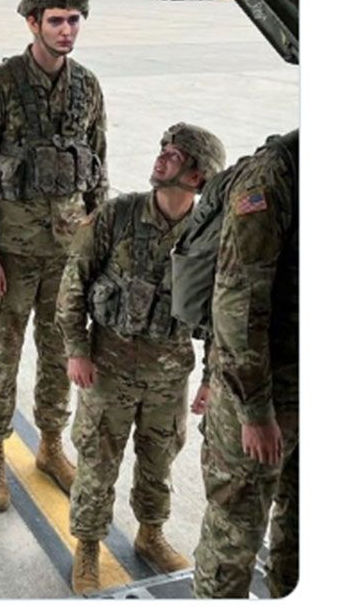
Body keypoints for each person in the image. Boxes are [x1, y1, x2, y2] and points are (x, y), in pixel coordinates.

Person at [0, 0, 108, 513]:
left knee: (59, 354)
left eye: (75, 20)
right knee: (0, 357)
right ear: (32, 22)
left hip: (66, 256)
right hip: (11, 256)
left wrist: (96, 247)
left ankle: (49, 446)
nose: (67, 30)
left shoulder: (87, 87)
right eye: (57, 20)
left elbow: (97, 169)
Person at [57, 124, 226, 593]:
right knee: (97, 460)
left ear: (197, 176)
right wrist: (76, 350)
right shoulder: (118, 215)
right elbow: (74, 283)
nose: (163, 156)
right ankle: (88, 546)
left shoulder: (208, 235)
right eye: (163, 148)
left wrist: (211, 377)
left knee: (159, 459)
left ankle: (151, 533)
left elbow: (222, 311)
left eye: (176, 154)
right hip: (107, 366)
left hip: (169, 374)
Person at [193, 130, 299, 599]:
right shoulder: (274, 176)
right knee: (233, 537)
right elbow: (237, 305)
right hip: (261, 396)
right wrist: (255, 412)